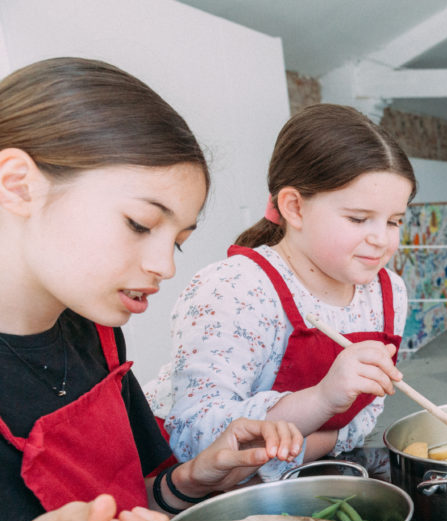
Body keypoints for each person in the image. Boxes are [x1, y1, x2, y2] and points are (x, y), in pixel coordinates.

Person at [0, 57, 303, 521]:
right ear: (18, 183)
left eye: (180, 239)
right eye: (140, 223)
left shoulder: (95, 331)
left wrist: (196, 478)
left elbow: (142, 503)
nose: (164, 264)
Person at [147, 104, 416, 475]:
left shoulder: (387, 293)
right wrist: (322, 399)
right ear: (294, 207)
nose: (381, 239)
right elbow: (196, 440)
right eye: (358, 218)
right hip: (192, 496)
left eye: (394, 221)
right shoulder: (235, 289)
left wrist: (305, 447)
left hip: (301, 478)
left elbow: (362, 420)